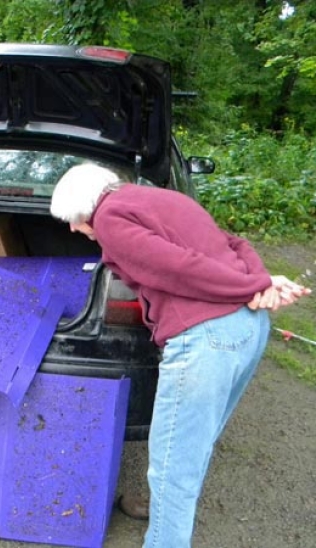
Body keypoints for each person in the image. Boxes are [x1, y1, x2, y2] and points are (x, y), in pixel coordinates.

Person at [49, 164, 310, 548]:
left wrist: (254, 284)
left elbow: (176, 268)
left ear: (84, 206)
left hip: (206, 342)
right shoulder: (165, 198)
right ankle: (165, 509)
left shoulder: (109, 218)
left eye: (72, 219)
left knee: (173, 463)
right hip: (248, 330)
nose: (73, 229)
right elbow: (234, 243)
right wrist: (259, 285)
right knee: (193, 444)